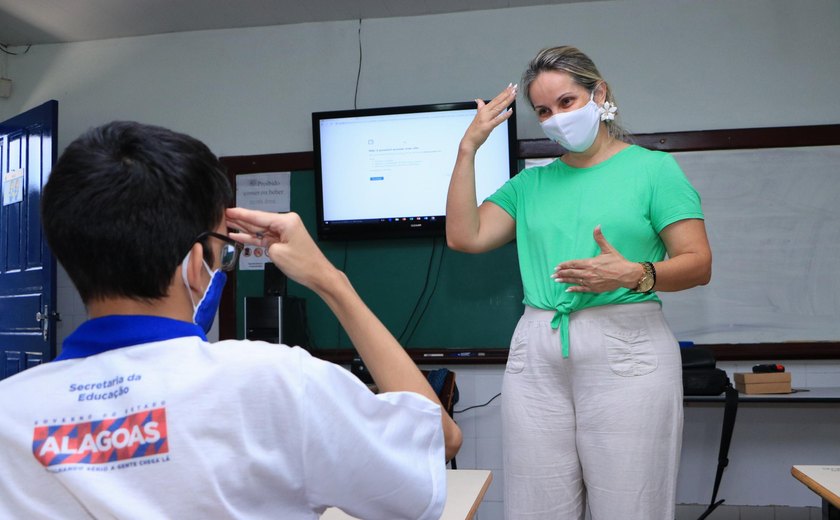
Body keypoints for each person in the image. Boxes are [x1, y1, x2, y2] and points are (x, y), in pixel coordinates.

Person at [0, 121, 461, 519]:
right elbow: (438, 441)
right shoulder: (273, 382)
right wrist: (331, 281)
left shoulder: (9, 412)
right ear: (196, 264)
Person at [446, 46, 712, 519]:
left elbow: (698, 263)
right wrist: (467, 149)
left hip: (628, 347)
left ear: (599, 94)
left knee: (631, 506)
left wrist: (637, 272)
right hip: (538, 347)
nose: (555, 119)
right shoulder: (530, 185)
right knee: (535, 507)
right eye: (543, 111)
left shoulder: (654, 171)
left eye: (566, 103)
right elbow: (465, 236)